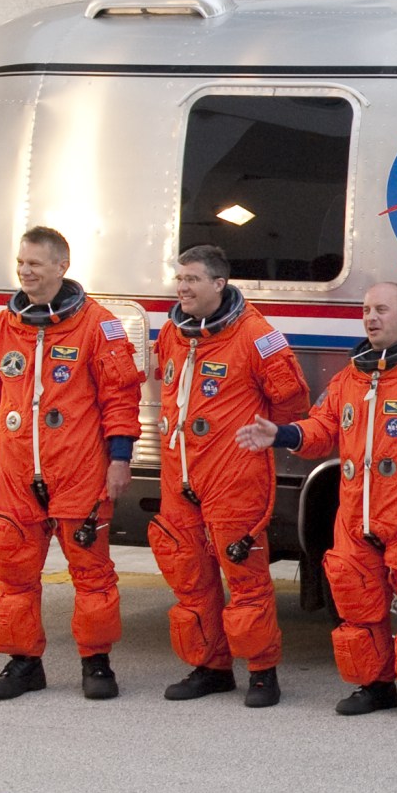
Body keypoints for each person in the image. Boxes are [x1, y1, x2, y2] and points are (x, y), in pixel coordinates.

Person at [235, 283, 397, 721]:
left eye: (382, 309)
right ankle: (375, 686)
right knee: (356, 602)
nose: (372, 317)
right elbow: (321, 430)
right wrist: (281, 434)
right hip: (356, 513)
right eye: (366, 310)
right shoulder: (350, 378)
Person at [0, 227, 144, 701]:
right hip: (17, 474)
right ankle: (23, 664)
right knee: (13, 573)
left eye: (35, 264)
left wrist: (119, 460)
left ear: (62, 266)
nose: (25, 271)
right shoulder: (2, 327)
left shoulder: (97, 325)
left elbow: (120, 399)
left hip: (80, 470)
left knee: (92, 573)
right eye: (21, 263)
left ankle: (96, 663)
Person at [149, 245, 309, 708]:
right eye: (180, 278)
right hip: (180, 474)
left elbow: (291, 402)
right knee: (190, 576)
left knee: (245, 579)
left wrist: (249, 436)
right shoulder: (175, 332)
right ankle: (210, 667)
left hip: (234, 477)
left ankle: (262, 673)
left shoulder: (257, 335)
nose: (182, 287)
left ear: (219, 284)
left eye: (193, 279)